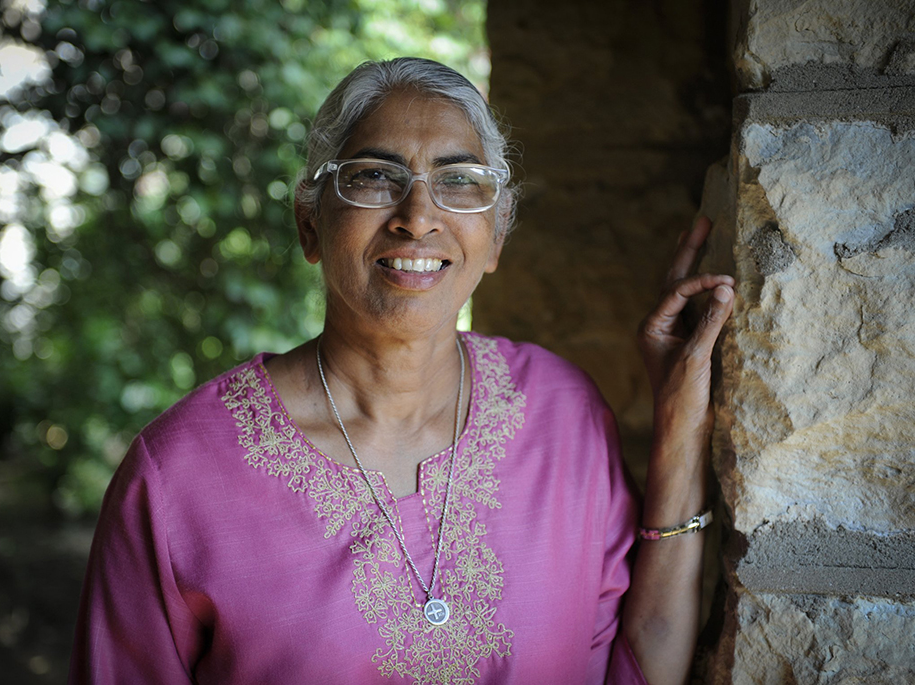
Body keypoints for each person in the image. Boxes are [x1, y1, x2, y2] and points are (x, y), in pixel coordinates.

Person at [69, 57, 734, 684]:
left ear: (496, 235)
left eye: (457, 180)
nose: (418, 218)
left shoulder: (563, 415)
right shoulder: (177, 478)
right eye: (374, 176)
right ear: (310, 224)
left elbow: (644, 652)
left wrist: (679, 423)